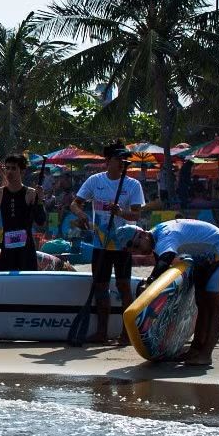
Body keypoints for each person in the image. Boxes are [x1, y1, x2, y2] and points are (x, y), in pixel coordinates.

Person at [126, 219, 219, 366]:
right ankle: (195, 349)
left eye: (137, 246)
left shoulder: (166, 235)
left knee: (213, 304)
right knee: (201, 302)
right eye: (134, 251)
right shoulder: (157, 236)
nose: (138, 251)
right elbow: (162, 262)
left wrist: (149, 283)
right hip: (203, 258)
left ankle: (206, 355)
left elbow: (165, 261)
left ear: (143, 234)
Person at [75, 143, 146, 344]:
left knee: (124, 287)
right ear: (108, 161)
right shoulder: (94, 181)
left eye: (125, 159)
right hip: (100, 244)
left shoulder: (133, 185)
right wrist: (81, 215)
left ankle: (126, 334)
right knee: (101, 288)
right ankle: (102, 332)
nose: (123, 163)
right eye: (118, 159)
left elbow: (137, 214)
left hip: (123, 245)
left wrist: (121, 213)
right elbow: (75, 203)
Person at [0, 154, 45, 272]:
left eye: (14, 168)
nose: (9, 172)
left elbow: (40, 221)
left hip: (26, 249)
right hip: (7, 248)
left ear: (22, 171)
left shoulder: (31, 193)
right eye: (7, 168)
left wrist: (39, 201)